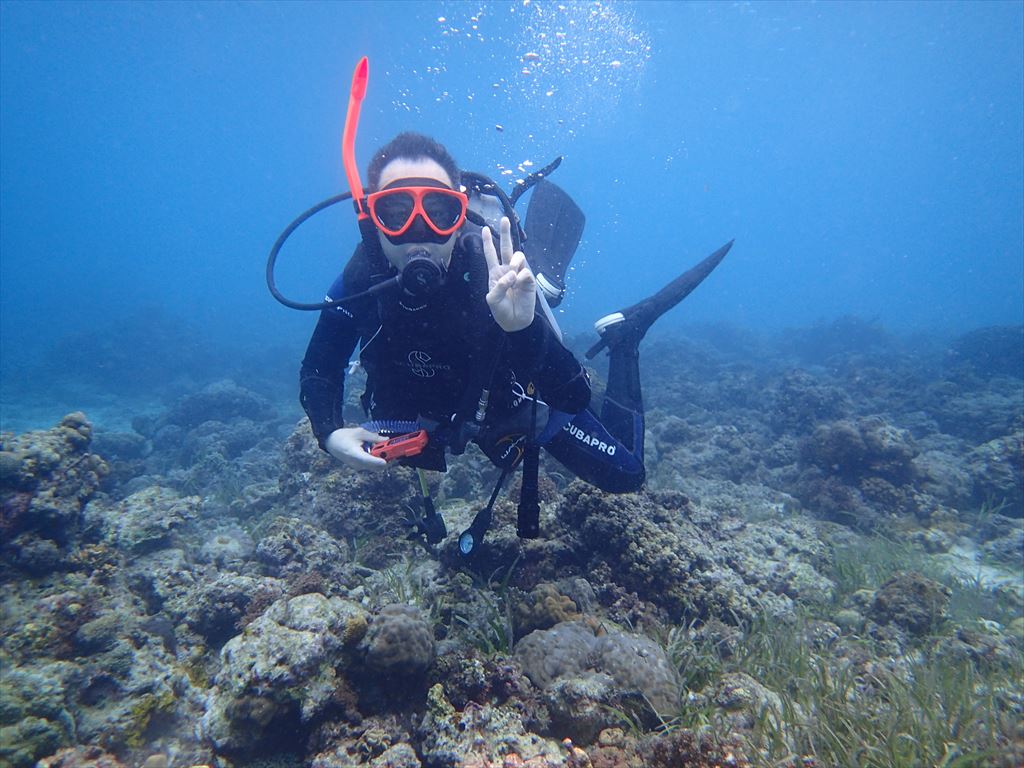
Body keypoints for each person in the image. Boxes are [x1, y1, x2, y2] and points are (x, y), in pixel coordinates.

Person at [299, 131, 729, 532]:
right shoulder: (360, 279)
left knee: (627, 475)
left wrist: (522, 328)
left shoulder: (487, 271)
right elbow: (321, 366)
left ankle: (624, 338)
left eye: (438, 211)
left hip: (509, 407)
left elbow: (571, 397)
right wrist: (328, 432)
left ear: (459, 214)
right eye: (395, 212)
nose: (418, 232)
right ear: (371, 219)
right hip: (429, 418)